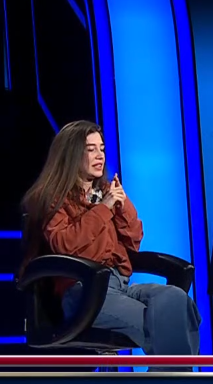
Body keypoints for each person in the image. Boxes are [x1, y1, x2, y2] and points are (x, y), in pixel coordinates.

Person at [20, 120, 200, 363]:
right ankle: (175, 383)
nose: (100, 155)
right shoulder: (53, 198)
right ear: (72, 154)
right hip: (84, 291)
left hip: (120, 286)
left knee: (176, 299)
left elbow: (134, 241)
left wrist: (122, 206)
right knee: (165, 325)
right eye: (90, 149)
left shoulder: (106, 191)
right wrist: (103, 209)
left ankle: (170, 380)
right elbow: (65, 245)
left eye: (102, 148)